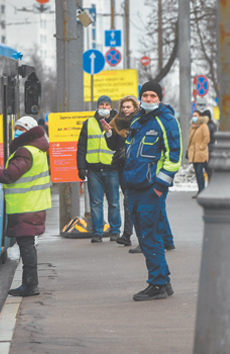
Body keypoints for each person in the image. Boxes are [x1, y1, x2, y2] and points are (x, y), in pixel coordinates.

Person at [0, 116, 51, 297]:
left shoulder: (26, 151)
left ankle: (31, 285)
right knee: (27, 244)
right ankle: (29, 283)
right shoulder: (37, 149)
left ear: (27, 131)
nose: (16, 132)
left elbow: (9, 175)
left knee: (26, 245)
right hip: (33, 204)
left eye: (20, 129)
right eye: (15, 128)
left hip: (26, 206)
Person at [124, 81, 182, 301]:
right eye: (145, 95)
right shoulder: (138, 120)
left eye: (152, 96)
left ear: (159, 98)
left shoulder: (166, 121)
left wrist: (159, 186)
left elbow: (174, 158)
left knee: (150, 236)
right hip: (134, 188)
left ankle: (157, 284)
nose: (148, 99)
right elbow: (131, 151)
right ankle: (163, 281)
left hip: (150, 190)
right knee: (146, 236)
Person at [76, 95, 121, 243]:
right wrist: (81, 167)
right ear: (97, 107)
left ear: (111, 107)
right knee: (96, 203)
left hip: (112, 168)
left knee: (113, 202)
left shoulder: (117, 123)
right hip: (94, 170)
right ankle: (97, 232)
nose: (104, 107)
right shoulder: (88, 123)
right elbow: (81, 146)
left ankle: (115, 231)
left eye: (107, 105)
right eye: (102, 105)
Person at [103, 95, 140, 247]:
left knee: (130, 200)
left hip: (137, 165)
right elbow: (112, 146)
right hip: (121, 164)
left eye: (128, 107)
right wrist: (109, 133)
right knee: (129, 199)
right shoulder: (116, 122)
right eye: (123, 107)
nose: (125, 110)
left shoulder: (140, 121)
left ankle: (127, 234)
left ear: (135, 108)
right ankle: (128, 234)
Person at [187, 110, 210, 197]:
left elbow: (206, 138)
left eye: (196, 115)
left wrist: (201, 147)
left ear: (200, 117)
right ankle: (200, 190)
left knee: (200, 171)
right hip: (193, 154)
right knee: (197, 172)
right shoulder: (192, 127)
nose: (194, 117)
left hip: (201, 153)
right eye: (193, 115)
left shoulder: (204, 126)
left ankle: (202, 191)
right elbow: (190, 140)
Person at [202, 109, 217, 180]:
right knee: (209, 169)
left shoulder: (208, 126)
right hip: (210, 148)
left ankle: (210, 182)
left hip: (209, 148)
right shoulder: (212, 125)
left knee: (208, 168)